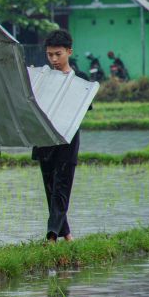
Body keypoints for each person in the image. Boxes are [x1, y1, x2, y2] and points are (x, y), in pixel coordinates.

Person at [32, 30, 87, 242]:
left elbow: (81, 110)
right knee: (50, 187)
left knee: (62, 187)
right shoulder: (43, 78)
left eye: (58, 54)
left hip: (67, 140)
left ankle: (51, 236)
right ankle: (67, 235)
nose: (53, 59)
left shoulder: (81, 80)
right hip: (44, 139)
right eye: (49, 55)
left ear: (69, 52)